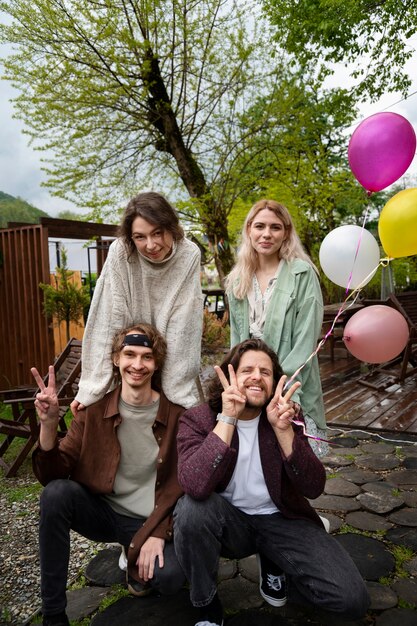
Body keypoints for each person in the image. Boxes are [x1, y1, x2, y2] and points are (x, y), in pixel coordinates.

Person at [174, 339, 370, 626]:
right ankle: (206, 605)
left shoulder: (284, 418)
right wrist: (228, 418)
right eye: (247, 370)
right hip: (230, 524)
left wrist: (284, 431)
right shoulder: (198, 420)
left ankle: (275, 558)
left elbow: (313, 487)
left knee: (352, 601)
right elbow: (195, 484)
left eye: (265, 372)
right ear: (231, 377)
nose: (256, 376)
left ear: (275, 381)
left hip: (282, 519)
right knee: (191, 510)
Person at [31, 323, 186, 626]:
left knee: (170, 579)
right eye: (129, 354)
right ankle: (53, 614)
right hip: (104, 512)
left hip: (149, 519)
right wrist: (48, 425)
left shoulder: (177, 415)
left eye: (147, 357)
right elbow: (54, 474)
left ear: (157, 364)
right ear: (116, 359)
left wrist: (158, 530)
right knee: (56, 495)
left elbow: (183, 484)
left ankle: (134, 552)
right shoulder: (93, 411)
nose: (137, 365)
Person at [71, 191, 203, 415]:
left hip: (169, 352)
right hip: (131, 352)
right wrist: (92, 389)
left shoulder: (189, 254)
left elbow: (184, 324)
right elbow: (108, 316)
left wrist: (178, 393)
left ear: (171, 227)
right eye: (140, 237)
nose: (150, 245)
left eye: (157, 233)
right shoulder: (121, 251)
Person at [225, 199, 327, 456]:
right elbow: (237, 341)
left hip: (291, 380)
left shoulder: (302, 274)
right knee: (251, 455)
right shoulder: (237, 279)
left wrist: (282, 386)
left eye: (275, 227)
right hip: (251, 381)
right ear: (249, 230)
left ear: (286, 233)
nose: (266, 234)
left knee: (290, 455)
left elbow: (306, 339)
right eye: (259, 226)